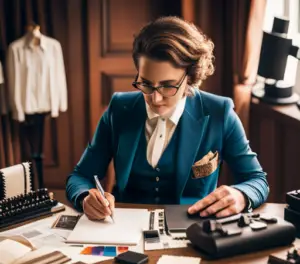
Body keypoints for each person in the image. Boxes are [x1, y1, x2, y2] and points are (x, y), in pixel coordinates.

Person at [66, 16, 269, 221]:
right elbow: (80, 176)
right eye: (146, 84)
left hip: (195, 230)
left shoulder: (220, 113)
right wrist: (85, 197)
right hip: (124, 227)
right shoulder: (119, 109)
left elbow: (256, 180)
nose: (155, 98)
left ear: (190, 77)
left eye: (168, 85)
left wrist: (241, 196)